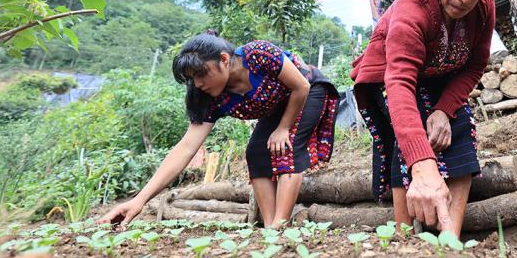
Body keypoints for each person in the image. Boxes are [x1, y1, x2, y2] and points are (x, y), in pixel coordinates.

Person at [351, 0, 517, 236]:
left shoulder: (485, 7)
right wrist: (422, 165)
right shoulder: (412, 9)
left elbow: (475, 64)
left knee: (458, 123)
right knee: (406, 135)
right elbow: (400, 84)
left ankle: (449, 237)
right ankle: (405, 235)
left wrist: (444, 110)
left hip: (439, 72)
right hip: (389, 77)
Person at [99, 33, 339, 228]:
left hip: (308, 91)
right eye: (193, 79)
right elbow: (185, 148)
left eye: (202, 74)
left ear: (224, 59)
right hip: (276, 109)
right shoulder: (210, 98)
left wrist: (283, 128)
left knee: (285, 146)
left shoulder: (259, 55)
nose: (199, 84)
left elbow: (301, 86)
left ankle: (280, 223)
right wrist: (139, 200)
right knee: (256, 152)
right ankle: (269, 227)